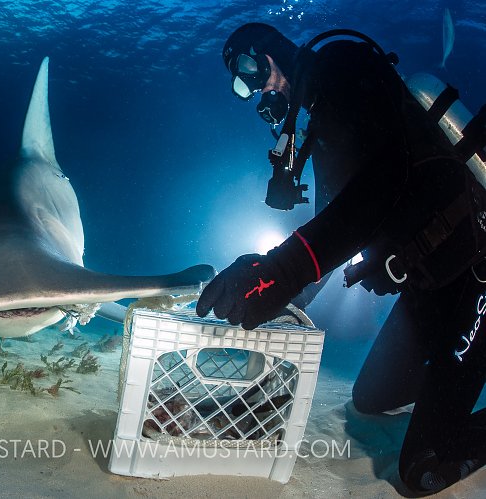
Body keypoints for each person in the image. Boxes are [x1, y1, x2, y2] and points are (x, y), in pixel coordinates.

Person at [196, 22, 486, 495]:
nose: (252, 89)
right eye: (240, 85)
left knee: (424, 468)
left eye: (248, 71)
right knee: (371, 399)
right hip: (430, 282)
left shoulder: (345, 67)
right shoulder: (324, 130)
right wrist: (277, 300)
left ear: (269, 53)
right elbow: (333, 235)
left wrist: (281, 271)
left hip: (477, 265)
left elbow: (382, 184)